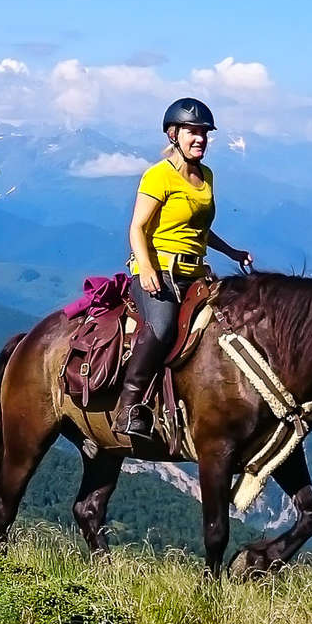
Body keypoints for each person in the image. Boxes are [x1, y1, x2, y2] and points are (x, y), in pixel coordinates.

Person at [115, 98, 255, 439]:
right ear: (173, 134)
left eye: (204, 133)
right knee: (161, 329)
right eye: (193, 132)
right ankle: (128, 407)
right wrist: (145, 268)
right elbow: (136, 227)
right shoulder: (157, 176)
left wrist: (232, 251)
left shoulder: (206, 176)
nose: (200, 139)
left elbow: (199, 229)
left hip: (196, 274)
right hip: (158, 272)